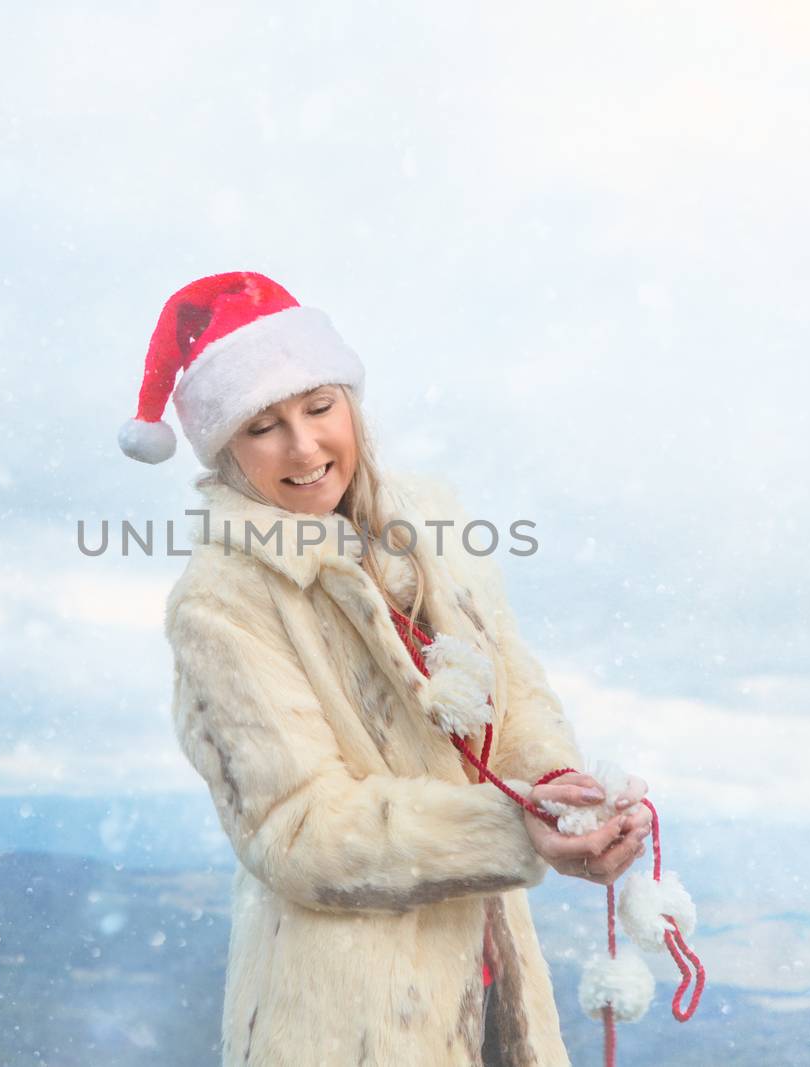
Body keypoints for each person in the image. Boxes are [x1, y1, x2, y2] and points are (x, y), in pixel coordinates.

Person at [118, 271, 653, 1066]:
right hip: (343, 1023)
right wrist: (514, 828)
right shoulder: (220, 601)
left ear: (351, 404)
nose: (304, 448)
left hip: (496, 983)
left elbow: (514, 691)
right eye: (263, 425)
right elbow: (299, 830)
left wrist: (569, 796)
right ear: (226, 447)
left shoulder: (434, 523)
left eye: (319, 408)